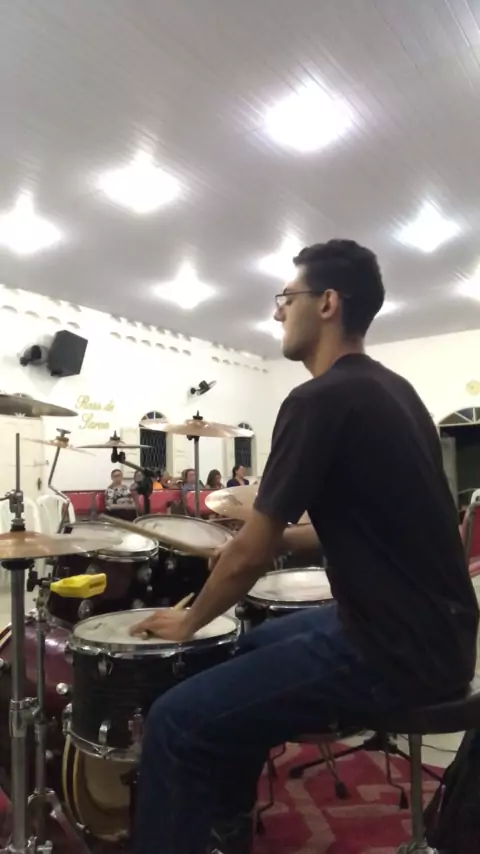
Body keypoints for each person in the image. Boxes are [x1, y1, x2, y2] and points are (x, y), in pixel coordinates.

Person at [132, 239, 479, 854]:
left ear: (327, 303)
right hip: (443, 639)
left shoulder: (318, 399)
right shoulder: (395, 392)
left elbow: (252, 553)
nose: (276, 312)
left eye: (285, 297)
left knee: (174, 720)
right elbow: (360, 523)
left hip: (391, 649)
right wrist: (261, 540)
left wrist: (190, 618)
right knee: (242, 645)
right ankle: (226, 827)